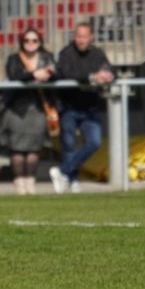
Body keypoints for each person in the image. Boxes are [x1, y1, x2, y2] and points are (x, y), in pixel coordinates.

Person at [49, 22, 114, 194]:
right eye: (78, 36)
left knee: (94, 142)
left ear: (91, 37)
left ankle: (62, 172)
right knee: (68, 146)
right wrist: (92, 77)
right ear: (74, 36)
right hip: (69, 107)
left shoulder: (98, 53)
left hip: (90, 108)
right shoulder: (66, 54)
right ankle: (72, 180)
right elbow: (68, 74)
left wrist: (107, 75)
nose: (81, 40)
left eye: (84, 36)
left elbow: (108, 68)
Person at [0, 29, 56, 195]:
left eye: (34, 40)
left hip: (38, 107)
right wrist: (34, 74)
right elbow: (14, 75)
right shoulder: (14, 58)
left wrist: (48, 74)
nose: (30, 43)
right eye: (27, 40)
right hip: (17, 109)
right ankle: (19, 183)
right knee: (17, 148)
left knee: (34, 148)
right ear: (22, 42)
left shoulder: (47, 57)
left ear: (40, 42)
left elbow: (57, 73)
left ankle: (30, 182)